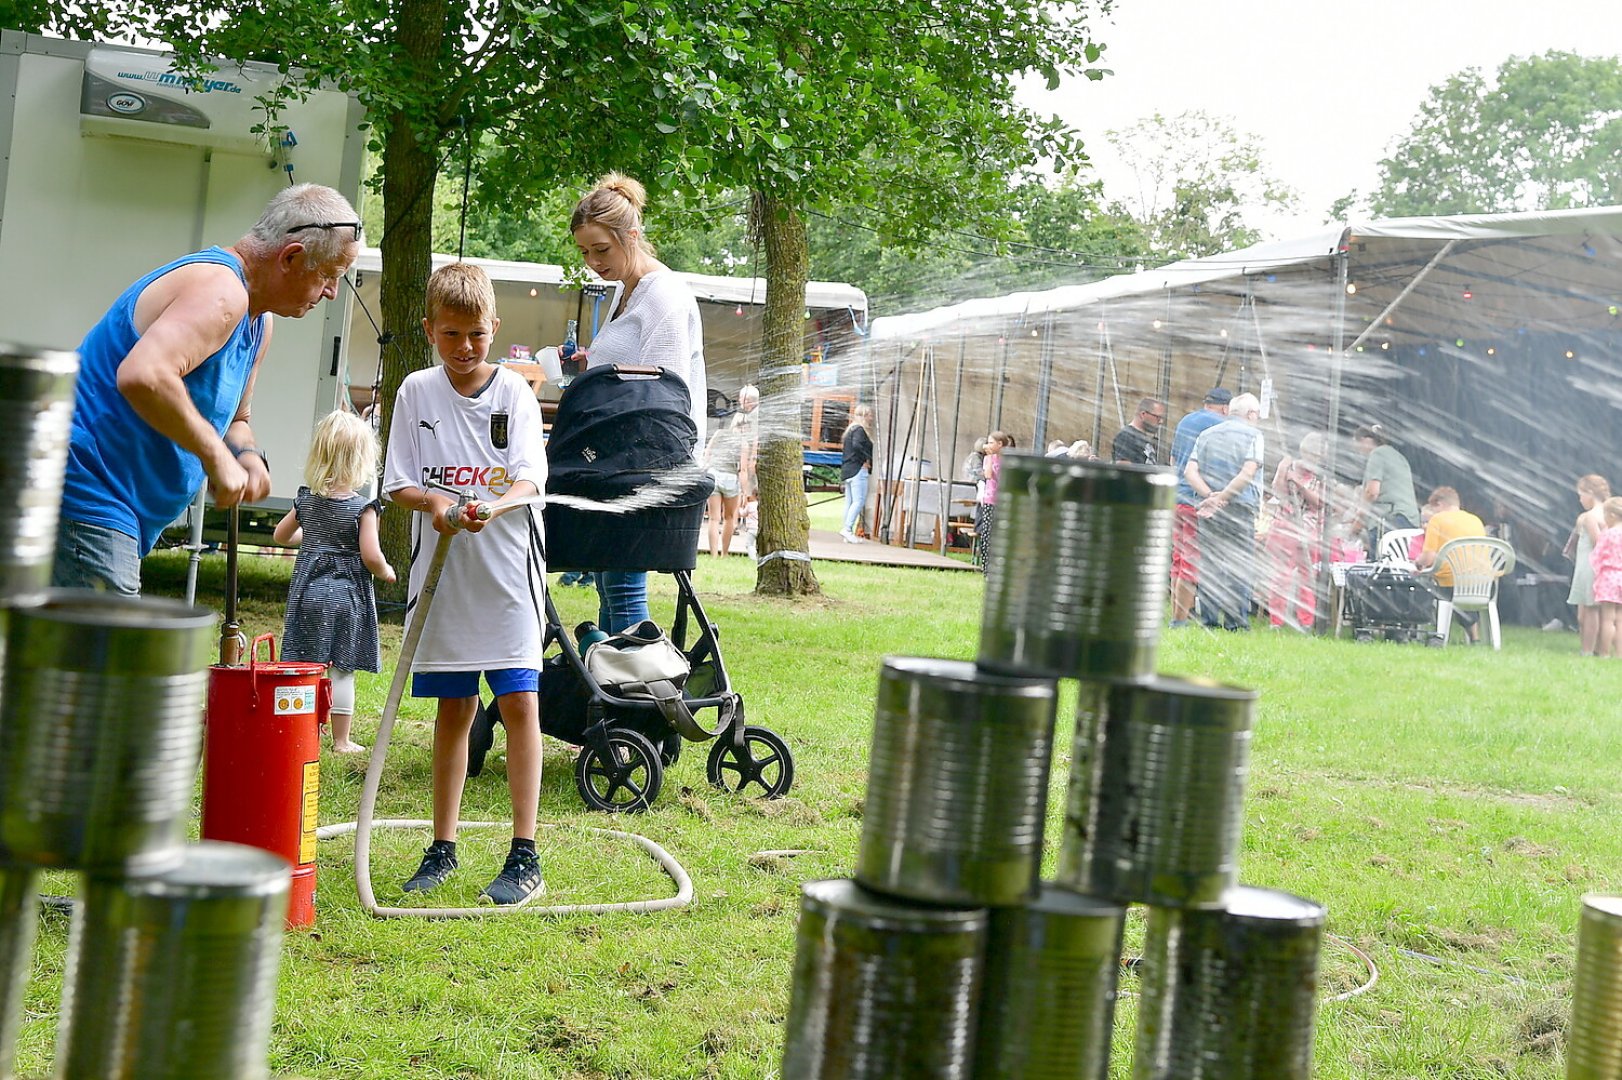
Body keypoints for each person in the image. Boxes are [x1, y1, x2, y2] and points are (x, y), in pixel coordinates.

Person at [54, 183, 361, 594]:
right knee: (109, 656)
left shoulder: (257, 320)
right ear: (291, 257)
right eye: (329, 275)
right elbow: (143, 375)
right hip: (85, 494)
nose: (331, 292)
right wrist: (216, 458)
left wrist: (246, 456)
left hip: (115, 511)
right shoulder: (221, 290)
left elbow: (238, 419)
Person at [382, 263, 547, 907]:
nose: (466, 347)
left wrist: (490, 509)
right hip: (442, 577)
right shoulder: (415, 393)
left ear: (495, 329)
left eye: (477, 334)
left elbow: (529, 481)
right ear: (429, 331)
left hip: (507, 576)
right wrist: (440, 507)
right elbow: (399, 484)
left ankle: (523, 854)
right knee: (454, 710)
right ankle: (442, 847)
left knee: (520, 705)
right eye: (452, 335)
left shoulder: (517, 396)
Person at [569, 172, 705, 632]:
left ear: (632, 235)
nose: (592, 262)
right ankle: (614, 691)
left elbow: (662, 399)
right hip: (617, 464)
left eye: (600, 250)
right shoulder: (627, 291)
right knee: (611, 583)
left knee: (623, 586)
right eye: (584, 252)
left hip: (644, 467)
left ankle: (638, 696)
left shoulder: (662, 295)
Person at [273, 410, 395, 754]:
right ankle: (341, 740)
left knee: (305, 666)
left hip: (308, 597)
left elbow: (282, 536)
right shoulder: (363, 507)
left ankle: (299, 732)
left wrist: (314, 541)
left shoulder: (306, 500)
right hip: (346, 599)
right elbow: (370, 554)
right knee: (342, 669)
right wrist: (385, 570)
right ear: (362, 460)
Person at [1184, 392, 1264, 631]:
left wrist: (1210, 497)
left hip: (1208, 509)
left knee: (1210, 564)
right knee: (1238, 565)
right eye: (1257, 415)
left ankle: (1208, 620)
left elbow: (1190, 471)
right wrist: (1224, 498)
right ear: (1251, 414)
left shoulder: (1206, 434)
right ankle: (1235, 622)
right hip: (1239, 508)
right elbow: (1248, 472)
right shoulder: (1254, 435)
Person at [1168, 388, 1231, 626]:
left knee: (1179, 559)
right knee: (1191, 562)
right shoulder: (1219, 424)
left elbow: (1173, 460)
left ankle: (1176, 614)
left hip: (1177, 499)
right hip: (1198, 501)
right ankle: (1179, 621)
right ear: (1226, 408)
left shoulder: (1185, 420)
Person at [1264, 432, 1325, 630]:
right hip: (1285, 528)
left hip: (1309, 533)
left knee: (1307, 578)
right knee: (1282, 576)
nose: (1315, 460)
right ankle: (1276, 621)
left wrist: (1300, 485)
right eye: (1314, 455)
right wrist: (1282, 471)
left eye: (1319, 456)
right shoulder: (1289, 466)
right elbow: (1278, 491)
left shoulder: (1320, 477)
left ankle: (1306, 621)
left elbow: (1319, 503)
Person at [1414, 486, 1488, 645]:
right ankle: (1475, 639)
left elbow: (1429, 557)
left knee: (1419, 586)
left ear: (1439, 504)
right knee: (1461, 586)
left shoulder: (1438, 520)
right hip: (1479, 584)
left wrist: (1418, 563)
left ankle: (1429, 634)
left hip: (1448, 584)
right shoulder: (1475, 520)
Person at [1352, 423, 1420, 555]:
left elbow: (1371, 492)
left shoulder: (1377, 454)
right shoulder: (1399, 457)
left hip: (1390, 520)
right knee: (1400, 567)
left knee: (1381, 568)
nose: (1360, 453)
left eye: (1358, 447)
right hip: (1410, 520)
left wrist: (1358, 521)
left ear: (1366, 440)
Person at [1567, 475, 1611, 656]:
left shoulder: (1588, 517)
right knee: (1601, 612)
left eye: (1581, 495)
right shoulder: (1611, 513)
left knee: (1589, 611)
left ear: (1590, 493)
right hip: (1603, 567)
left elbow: (1598, 543)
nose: (1580, 499)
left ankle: (1586, 650)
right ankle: (1601, 650)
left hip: (1589, 567)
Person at [704, 412, 747, 556]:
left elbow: (707, 455)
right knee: (729, 518)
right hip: (730, 478)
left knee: (713, 518)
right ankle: (725, 553)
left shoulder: (719, 434)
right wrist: (744, 492)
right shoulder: (744, 443)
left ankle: (714, 554)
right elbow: (743, 469)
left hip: (714, 475)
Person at [973, 431, 1010, 570]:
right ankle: (986, 567)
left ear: (1000, 444)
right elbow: (988, 475)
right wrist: (989, 457)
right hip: (990, 499)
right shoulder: (989, 458)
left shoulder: (1007, 460)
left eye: (991, 442)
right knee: (987, 533)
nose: (987, 445)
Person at [1591, 497, 1622, 659]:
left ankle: (1604, 652)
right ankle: (1620, 653)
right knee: (1620, 619)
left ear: (1612, 515)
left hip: (1609, 577)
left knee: (1608, 619)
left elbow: (1597, 556)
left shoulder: (1608, 534)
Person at [839, 404, 875, 543]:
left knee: (849, 501)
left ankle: (846, 531)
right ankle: (847, 529)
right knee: (859, 500)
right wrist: (865, 460)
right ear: (865, 415)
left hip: (848, 469)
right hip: (857, 470)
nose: (871, 418)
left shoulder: (850, 430)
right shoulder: (860, 430)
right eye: (870, 415)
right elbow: (857, 446)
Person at [1111, 396, 1167, 467]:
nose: (1161, 421)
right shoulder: (1127, 436)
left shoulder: (1144, 437)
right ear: (1143, 414)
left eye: (1162, 418)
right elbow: (1123, 469)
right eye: (1157, 417)